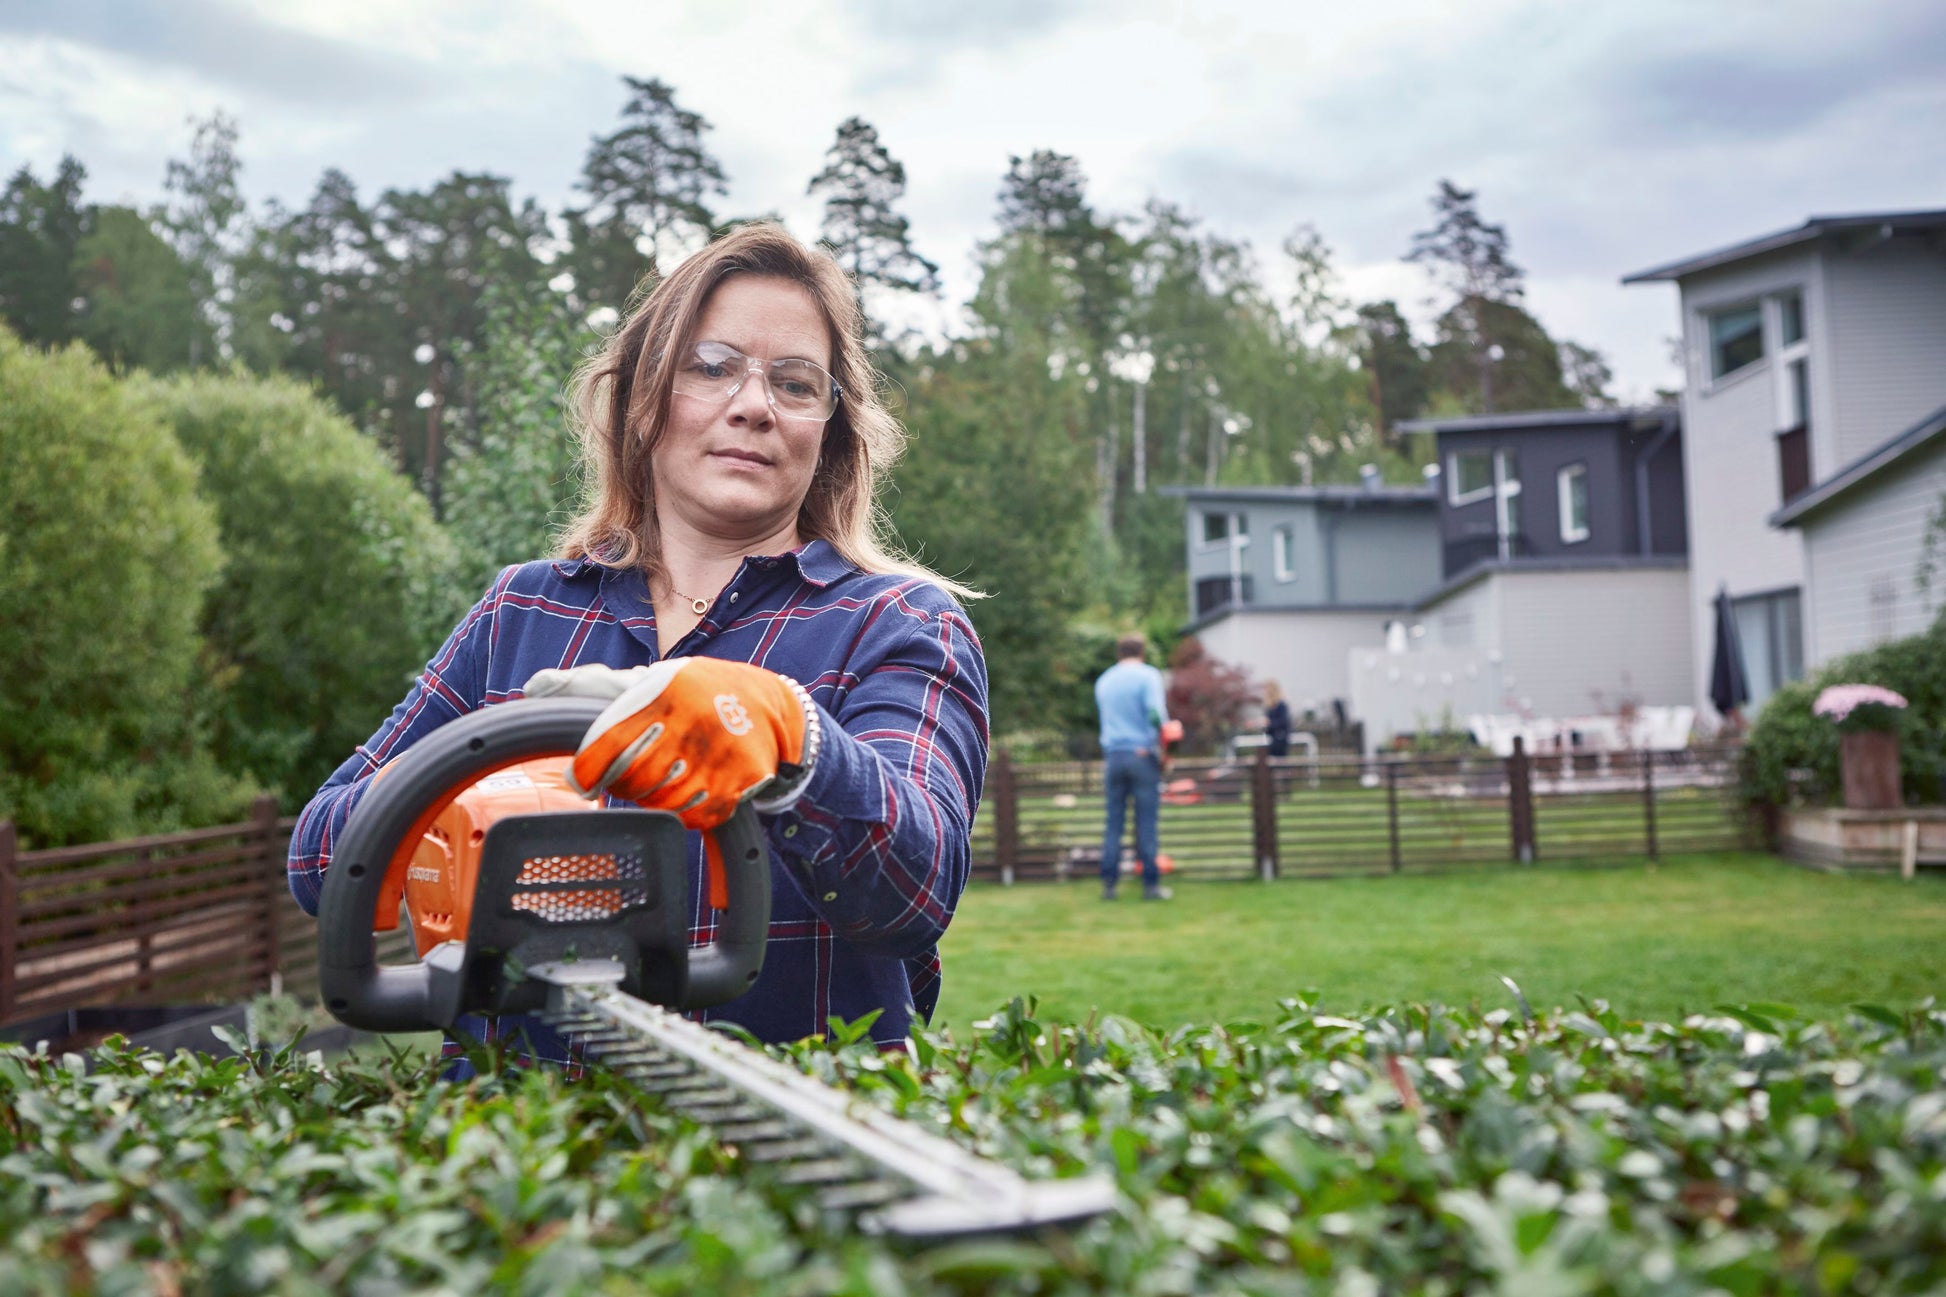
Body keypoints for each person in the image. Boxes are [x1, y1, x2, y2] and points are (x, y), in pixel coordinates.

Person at [288, 223, 989, 1067]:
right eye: (712, 365)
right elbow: (322, 859)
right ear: (642, 397)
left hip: (781, 1152)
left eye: (796, 382)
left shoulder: (899, 621)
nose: (754, 404)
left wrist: (793, 738)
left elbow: (915, 886)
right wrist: (470, 793)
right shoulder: (523, 608)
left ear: (830, 430)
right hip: (517, 1157)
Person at [1094, 635, 1173, 901]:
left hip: (1113, 757)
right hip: (1141, 754)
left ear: (1119, 653)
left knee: (1113, 822)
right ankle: (1150, 885)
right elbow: (1154, 713)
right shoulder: (1148, 676)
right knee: (1146, 821)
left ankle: (1109, 885)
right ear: (1142, 652)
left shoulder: (1104, 680)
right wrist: (1162, 747)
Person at [1261, 680, 1292, 758]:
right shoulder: (1269, 707)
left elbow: (1283, 721)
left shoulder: (1281, 705)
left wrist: (1269, 723)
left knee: (1279, 763)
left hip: (1280, 740)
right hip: (1271, 739)